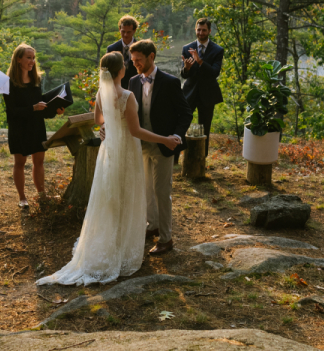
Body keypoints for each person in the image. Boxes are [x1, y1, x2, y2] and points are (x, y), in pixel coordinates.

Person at [36, 52, 182, 285]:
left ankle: (110, 245)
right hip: (127, 150)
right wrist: (164, 139)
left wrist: (109, 127)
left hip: (110, 149)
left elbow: (98, 120)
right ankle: (122, 250)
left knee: (109, 195)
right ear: (120, 71)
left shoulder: (101, 94)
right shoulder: (127, 95)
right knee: (127, 195)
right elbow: (135, 131)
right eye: (125, 65)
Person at [130, 39, 192, 255]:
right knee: (146, 189)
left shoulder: (170, 82)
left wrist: (175, 135)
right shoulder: (133, 82)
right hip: (142, 145)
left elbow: (185, 113)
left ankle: (166, 238)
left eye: (139, 60)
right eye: (133, 60)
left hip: (165, 146)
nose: (135, 63)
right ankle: (152, 225)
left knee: (161, 191)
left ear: (151, 57)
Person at [3, 44, 65, 208]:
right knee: (20, 162)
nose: (32, 61)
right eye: (28, 57)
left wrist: (54, 111)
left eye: (33, 57)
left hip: (36, 126)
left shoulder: (36, 80)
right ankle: (22, 198)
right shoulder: (8, 83)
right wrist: (33, 108)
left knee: (39, 161)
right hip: (19, 127)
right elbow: (12, 111)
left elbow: (41, 109)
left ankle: (42, 195)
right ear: (18, 59)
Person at [181, 18, 224, 158]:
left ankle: (202, 159)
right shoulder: (187, 48)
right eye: (198, 30)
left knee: (205, 126)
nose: (201, 32)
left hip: (208, 93)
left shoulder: (218, 50)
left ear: (209, 31)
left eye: (204, 30)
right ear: (195, 30)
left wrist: (199, 61)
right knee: (181, 122)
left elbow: (214, 73)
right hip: (189, 92)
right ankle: (177, 155)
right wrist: (186, 69)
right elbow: (184, 75)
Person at [106, 15, 139, 89]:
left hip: (136, 89)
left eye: (128, 32)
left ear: (134, 31)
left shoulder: (140, 48)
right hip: (116, 90)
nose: (125, 35)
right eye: (123, 31)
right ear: (119, 29)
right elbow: (107, 72)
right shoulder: (112, 49)